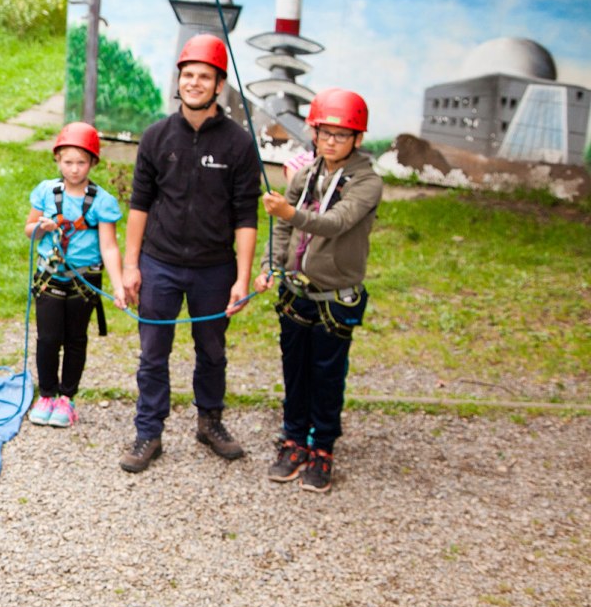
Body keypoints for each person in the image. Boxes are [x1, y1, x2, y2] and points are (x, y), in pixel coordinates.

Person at [119, 34, 262, 473]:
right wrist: (130, 265)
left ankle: (210, 421)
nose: (195, 83)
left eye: (204, 76)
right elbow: (139, 204)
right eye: (188, 75)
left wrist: (241, 277)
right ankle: (149, 432)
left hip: (214, 269)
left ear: (219, 84)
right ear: (178, 80)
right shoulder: (156, 137)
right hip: (159, 264)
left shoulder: (239, 144)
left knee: (213, 351)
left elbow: (246, 217)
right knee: (153, 353)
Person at [254, 88, 381, 493]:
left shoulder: (367, 182)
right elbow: (284, 227)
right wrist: (271, 265)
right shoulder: (307, 174)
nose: (330, 142)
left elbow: (336, 222)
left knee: (327, 374)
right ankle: (293, 439)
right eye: (324, 133)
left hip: (334, 296)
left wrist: (289, 211)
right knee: (294, 369)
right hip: (295, 292)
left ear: (358, 139)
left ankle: (322, 446)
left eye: (341, 136)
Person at [24, 122, 126, 428]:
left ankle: (67, 398)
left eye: (82, 162)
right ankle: (47, 394)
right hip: (50, 275)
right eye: (68, 162)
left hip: (84, 281)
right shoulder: (46, 192)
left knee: (75, 339)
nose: (74, 169)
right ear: (57, 161)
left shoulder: (102, 202)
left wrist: (119, 287)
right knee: (49, 338)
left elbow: (109, 247)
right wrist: (42, 227)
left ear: (93, 163)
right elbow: (29, 230)